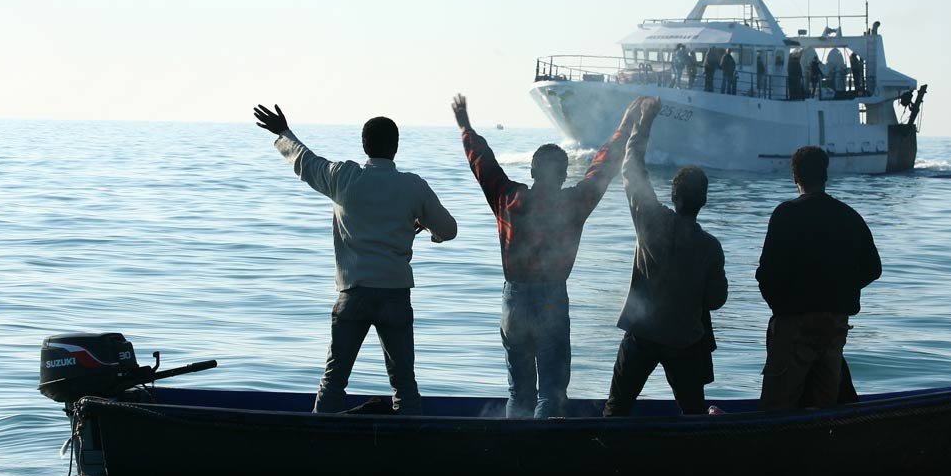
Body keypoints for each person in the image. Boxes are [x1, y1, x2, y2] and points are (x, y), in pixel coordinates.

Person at [253, 103, 458, 415]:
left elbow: (304, 161)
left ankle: (317, 441)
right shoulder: (413, 186)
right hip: (395, 294)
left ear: (365, 146)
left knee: (334, 381)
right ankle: (412, 443)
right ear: (396, 147)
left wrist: (283, 131)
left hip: (354, 293)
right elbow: (449, 229)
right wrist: (430, 230)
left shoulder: (343, 178)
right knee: (404, 384)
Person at [452, 94, 642, 418]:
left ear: (531, 170)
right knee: (551, 392)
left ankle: (516, 451)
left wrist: (465, 126)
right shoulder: (574, 203)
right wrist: (627, 124)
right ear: (565, 174)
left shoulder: (508, 199)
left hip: (514, 298)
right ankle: (541, 451)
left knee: (519, 391)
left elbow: (482, 163)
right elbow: (604, 166)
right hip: (552, 296)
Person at [604, 97, 729, 417]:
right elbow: (715, 300)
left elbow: (631, 167)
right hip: (685, 340)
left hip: (642, 333)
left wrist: (644, 121)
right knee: (694, 413)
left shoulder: (651, 220)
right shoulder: (710, 247)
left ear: (673, 197)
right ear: (703, 202)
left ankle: (605, 457)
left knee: (617, 410)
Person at [754, 146, 881, 410]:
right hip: (834, 327)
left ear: (795, 178)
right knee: (826, 408)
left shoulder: (785, 215)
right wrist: (839, 290)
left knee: (777, 409)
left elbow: (766, 275)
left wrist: (783, 308)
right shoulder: (849, 216)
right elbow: (873, 268)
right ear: (825, 176)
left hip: (792, 326)